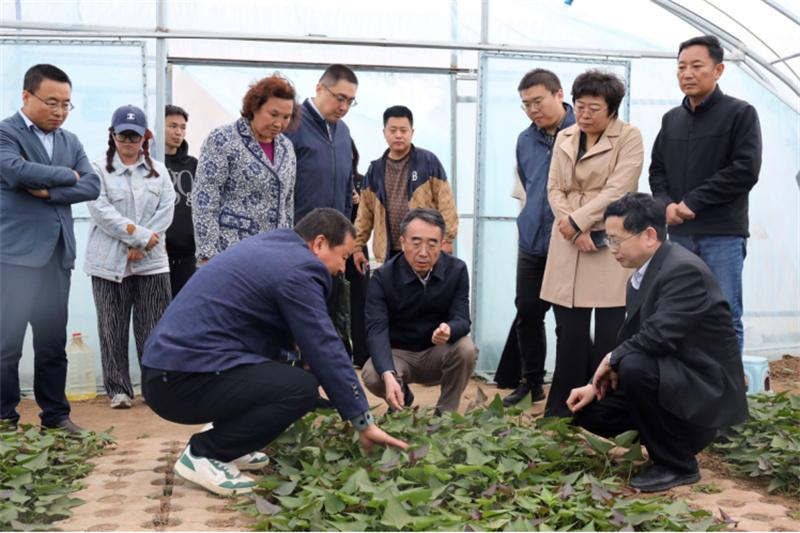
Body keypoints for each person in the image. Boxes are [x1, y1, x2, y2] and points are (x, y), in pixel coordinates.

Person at [141, 208, 407, 496]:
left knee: (290, 375)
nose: (343, 269)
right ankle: (206, 453)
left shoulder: (278, 247)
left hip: (172, 370)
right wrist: (362, 420)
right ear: (319, 243)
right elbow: (325, 346)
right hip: (180, 379)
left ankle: (232, 443)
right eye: (343, 256)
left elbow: (293, 338)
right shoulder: (301, 268)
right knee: (300, 390)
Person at [568, 192, 748, 493]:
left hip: (703, 387)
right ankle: (668, 437)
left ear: (649, 235)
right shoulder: (640, 276)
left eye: (616, 240)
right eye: (608, 239)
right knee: (593, 411)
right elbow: (633, 338)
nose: (611, 249)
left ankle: (678, 463)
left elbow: (658, 336)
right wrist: (592, 384)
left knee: (634, 366)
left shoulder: (683, 270)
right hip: (673, 375)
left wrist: (611, 358)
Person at [0, 64, 100, 434]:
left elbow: (92, 185)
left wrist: (48, 191)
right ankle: (4, 419)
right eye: (51, 102)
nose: (59, 111)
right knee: (6, 342)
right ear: (27, 96)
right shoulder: (5, 133)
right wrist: (68, 176)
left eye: (66, 104)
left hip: (57, 255)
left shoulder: (69, 141)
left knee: (52, 342)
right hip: (14, 257)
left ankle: (56, 416)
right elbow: (14, 170)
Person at [540, 69, 644, 418]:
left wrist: (579, 221)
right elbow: (554, 187)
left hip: (609, 240)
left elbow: (619, 188)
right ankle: (561, 409)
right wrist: (570, 226)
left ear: (612, 109)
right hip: (568, 240)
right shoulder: (565, 135)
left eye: (593, 108)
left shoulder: (629, 137)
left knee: (610, 333)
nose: (584, 115)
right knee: (569, 331)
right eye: (580, 106)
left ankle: (604, 411)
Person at [649, 35, 761, 353]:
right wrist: (665, 205)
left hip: (722, 233)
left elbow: (744, 170)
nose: (687, 73)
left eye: (697, 66)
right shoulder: (672, 119)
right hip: (679, 234)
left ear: (718, 70)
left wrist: (692, 202)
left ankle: (727, 384)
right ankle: (688, 380)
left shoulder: (740, 113)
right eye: (681, 67)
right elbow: (657, 170)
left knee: (724, 313)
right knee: (680, 312)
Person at [84, 105, 175, 409]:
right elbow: (101, 211)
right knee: (112, 327)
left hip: (152, 263)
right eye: (122, 135)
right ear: (112, 135)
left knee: (153, 329)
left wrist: (145, 243)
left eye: (134, 136)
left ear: (145, 137)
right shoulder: (97, 169)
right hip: (109, 263)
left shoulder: (159, 171)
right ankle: (118, 390)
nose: (128, 141)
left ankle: (154, 388)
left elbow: (166, 210)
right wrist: (138, 237)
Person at [498, 69, 576, 407]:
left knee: (566, 320)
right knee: (527, 312)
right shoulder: (525, 140)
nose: (532, 110)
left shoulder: (581, 132)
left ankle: (566, 385)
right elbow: (529, 187)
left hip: (567, 241)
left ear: (559, 95)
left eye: (538, 101)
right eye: (526, 104)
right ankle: (531, 382)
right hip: (531, 241)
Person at [361, 209, 478, 414]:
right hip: (399, 354)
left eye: (432, 244)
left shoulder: (456, 270)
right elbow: (376, 330)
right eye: (416, 243)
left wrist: (449, 329)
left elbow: (462, 319)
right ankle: (402, 400)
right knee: (373, 374)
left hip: (436, 352)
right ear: (402, 242)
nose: (423, 252)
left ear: (442, 244)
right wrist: (388, 374)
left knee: (466, 349)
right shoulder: (383, 277)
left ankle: (445, 414)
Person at [193, 74, 298, 263]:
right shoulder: (223, 139)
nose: (279, 123)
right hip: (232, 252)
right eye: (273, 114)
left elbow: (288, 204)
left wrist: (287, 248)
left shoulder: (287, 147)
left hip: (274, 254)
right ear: (254, 107)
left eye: (286, 117)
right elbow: (205, 199)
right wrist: (208, 254)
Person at [352, 105, 457, 271]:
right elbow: (364, 214)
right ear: (384, 132)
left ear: (412, 132)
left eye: (403, 130)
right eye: (393, 130)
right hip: (389, 251)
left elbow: (446, 204)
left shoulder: (428, 161)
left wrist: (447, 239)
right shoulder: (375, 170)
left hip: (423, 248)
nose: (398, 135)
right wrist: (357, 247)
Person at [286, 64, 358, 222]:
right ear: (319, 88)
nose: (344, 107)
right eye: (340, 98)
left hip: (334, 233)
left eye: (350, 101)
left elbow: (347, 190)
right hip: (297, 231)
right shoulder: (291, 124)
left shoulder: (343, 132)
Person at [163, 104, 198, 296]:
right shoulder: (150, 164)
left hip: (188, 255)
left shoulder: (194, 165)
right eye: (173, 126)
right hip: (156, 254)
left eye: (183, 127)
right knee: (156, 308)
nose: (178, 132)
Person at [345, 140, 371, 367]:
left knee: (361, 299)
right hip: (334, 246)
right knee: (335, 300)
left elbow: (370, 213)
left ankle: (363, 354)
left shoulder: (363, 181)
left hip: (358, 247)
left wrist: (358, 201)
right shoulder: (331, 181)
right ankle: (342, 352)